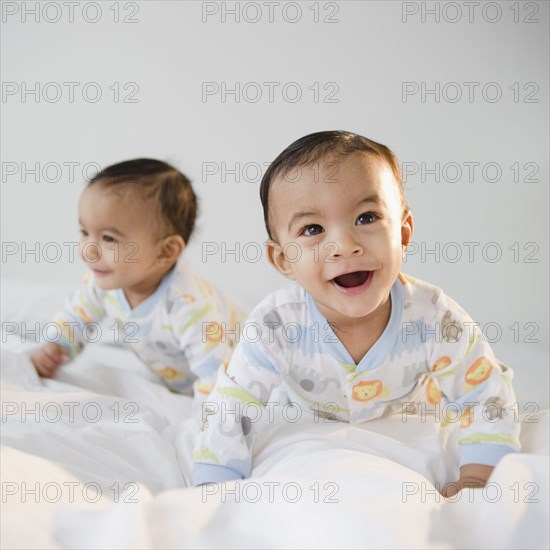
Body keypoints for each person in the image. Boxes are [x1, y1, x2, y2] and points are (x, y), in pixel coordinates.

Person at [192, 131, 520, 496]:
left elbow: (484, 392)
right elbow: (232, 404)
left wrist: (478, 474)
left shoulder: (433, 319)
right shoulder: (277, 325)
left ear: (403, 233)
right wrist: (215, 486)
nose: (345, 246)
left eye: (366, 217)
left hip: (406, 416)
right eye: (312, 229)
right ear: (283, 259)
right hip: (306, 416)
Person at [30, 158, 242, 397]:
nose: (89, 250)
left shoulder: (191, 306)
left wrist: (205, 424)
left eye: (108, 238)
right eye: (84, 232)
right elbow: (76, 316)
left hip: (239, 374)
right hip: (169, 378)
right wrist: (54, 347)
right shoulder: (104, 283)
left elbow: (218, 375)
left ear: (166, 251)